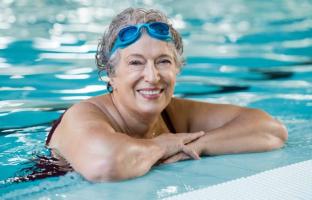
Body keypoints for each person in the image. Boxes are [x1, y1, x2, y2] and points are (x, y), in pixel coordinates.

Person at [46, 7, 288, 182]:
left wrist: (199, 144)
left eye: (163, 61)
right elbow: (107, 164)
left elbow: (271, 130)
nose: (152, 76)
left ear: (177, 68)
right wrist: (162, 145)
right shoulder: (85, 115)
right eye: (135, 63)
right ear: (111, 74)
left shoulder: (172, 113)